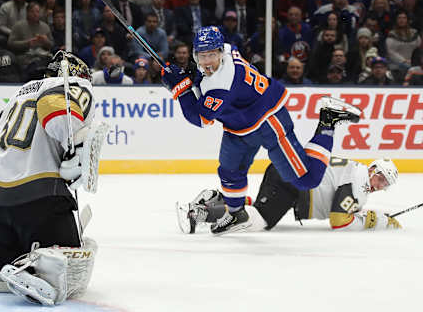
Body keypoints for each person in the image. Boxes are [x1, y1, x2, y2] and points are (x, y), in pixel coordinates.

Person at [162, 26, 361, 235]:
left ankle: (329, 118)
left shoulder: (221, 83)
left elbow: (201, 118)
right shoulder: (227, 51)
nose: (207, 61)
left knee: (306, 180)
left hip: (268, 121)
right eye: (202, 56)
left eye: (212, 55)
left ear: (221, 52)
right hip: (239, 124)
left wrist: (180, 89)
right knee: (230, 170)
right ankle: (236, 214)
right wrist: (192, 77)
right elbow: (205, 79)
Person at [0, 51, 100, 305]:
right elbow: (53, 107)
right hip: (39, 199)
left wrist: (13, 163)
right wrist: (74, 149)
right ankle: (39, 273)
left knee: (8, 253)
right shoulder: (75, 85)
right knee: (69, 254)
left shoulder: (23, 90)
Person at [179, 158, 401, 233]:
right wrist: (372, 221)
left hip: (288, 174)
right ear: (373, 170)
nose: (379, 185)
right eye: (380, 178)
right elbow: (339, 221)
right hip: (292, 183)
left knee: (257, 209)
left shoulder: (357, 171)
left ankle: (217, 198)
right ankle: (202, 213)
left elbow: (341, 204)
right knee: (258, 221)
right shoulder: (360, 182)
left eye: (384, 184)